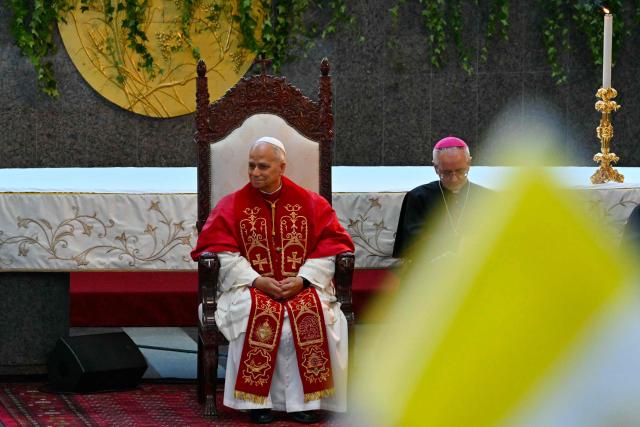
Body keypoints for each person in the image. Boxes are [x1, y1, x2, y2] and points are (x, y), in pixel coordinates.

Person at [191, 136, 354, 424]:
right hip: (250, 287)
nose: (255, 172)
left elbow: (334, 245)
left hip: (300, 284)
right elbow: (218, 252)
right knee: (257, 312)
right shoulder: (232, 205)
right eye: (251, 166)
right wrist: (256, 280)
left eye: (263, 167)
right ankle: (257, 403)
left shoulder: (310, 203)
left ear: (282, 167)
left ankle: (305, 402)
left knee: (310, 312)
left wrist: (303, 279)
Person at [392, 136, 490, 259]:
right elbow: (413, 243)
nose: (454, 179)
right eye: (447, 173)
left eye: (460, 171)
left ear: (469, 163)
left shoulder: (488, 198)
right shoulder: (418, 197)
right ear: (436, 168)